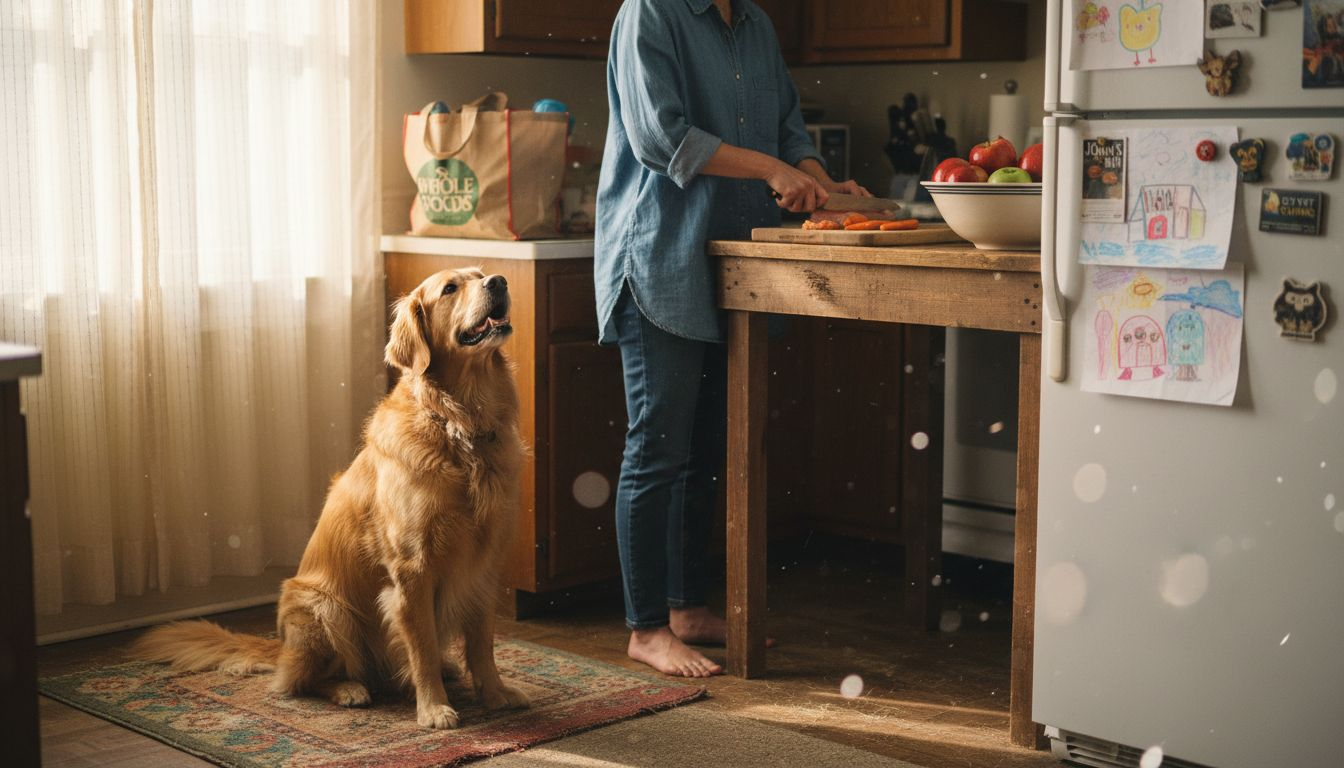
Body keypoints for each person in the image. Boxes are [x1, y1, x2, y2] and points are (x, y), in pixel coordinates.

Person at [593, 0, 870, 678]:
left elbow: (785, 125)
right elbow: (663, 140)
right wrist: (774, 172)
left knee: (708, 450)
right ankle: (646, 627)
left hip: (736, 262)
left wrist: (821, 180)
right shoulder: (649, 13)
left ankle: (687, 609)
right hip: (661, 256)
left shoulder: (755, 23)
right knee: (656, 450)